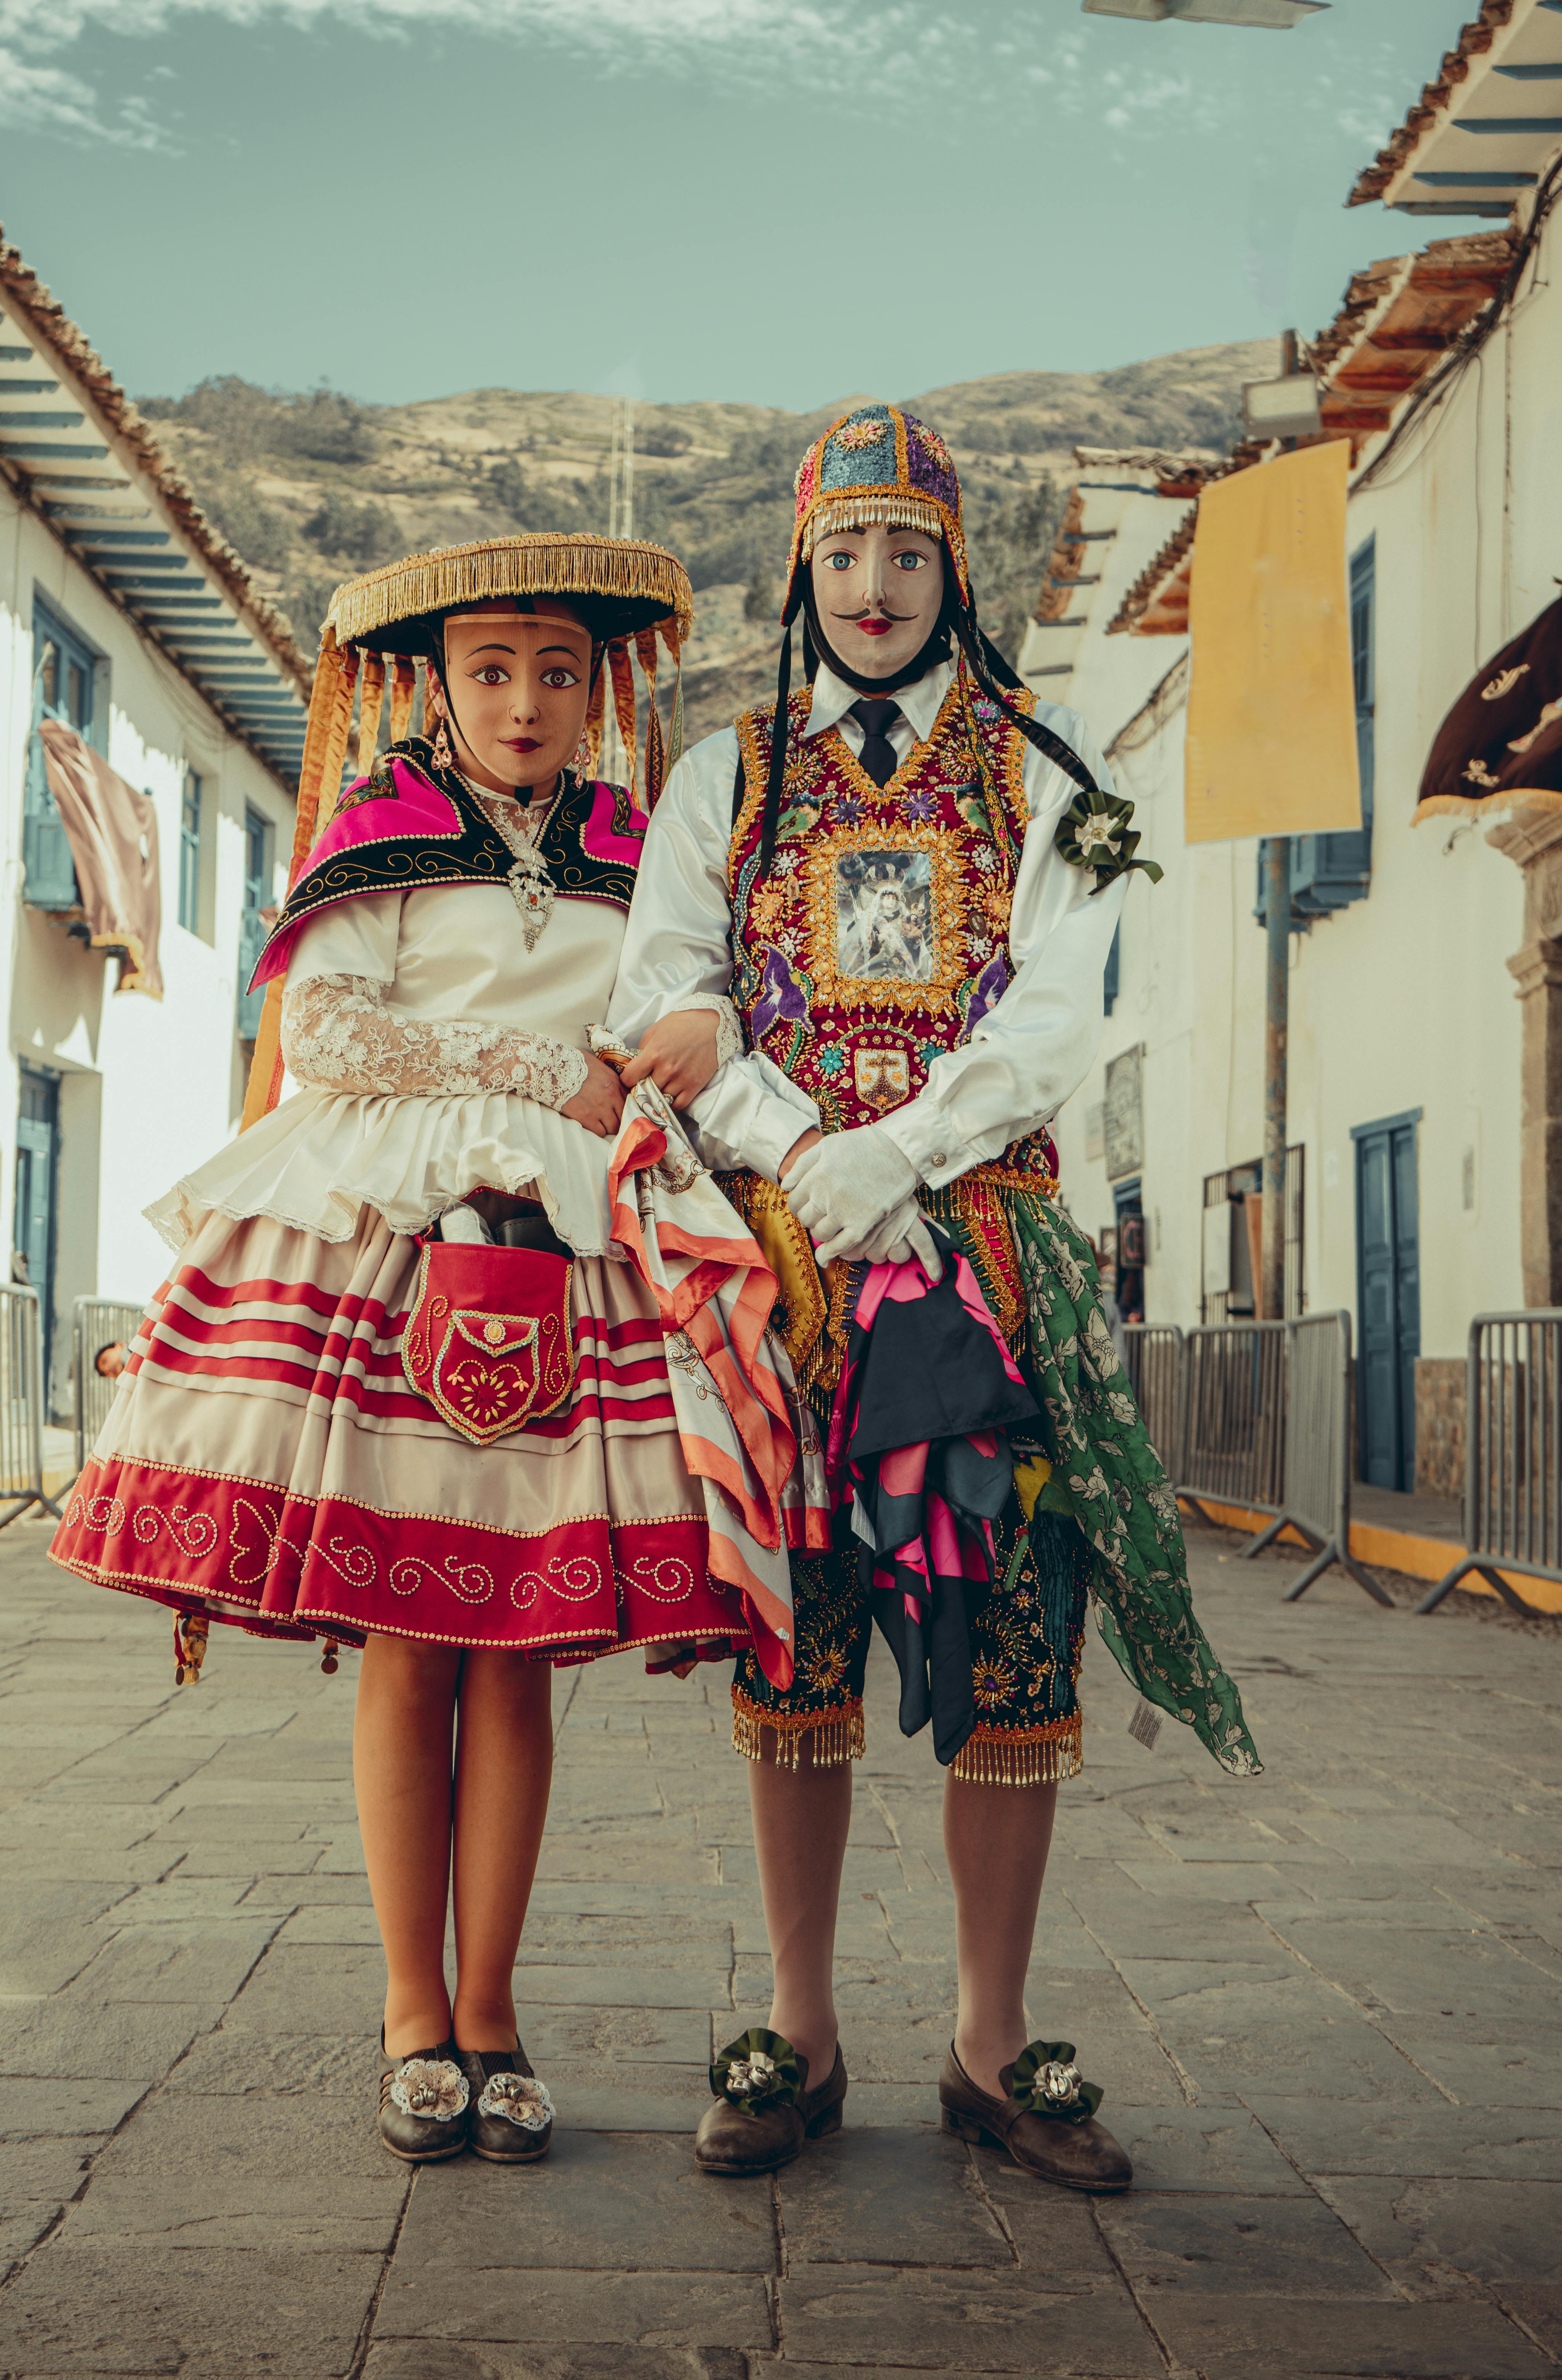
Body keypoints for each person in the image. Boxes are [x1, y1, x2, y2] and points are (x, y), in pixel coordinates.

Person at [50, 534, 804, 2170]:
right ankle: (409, 2012)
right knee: (406, 1639)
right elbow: (322, 1033)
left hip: (579, 1257)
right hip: (387, 1248)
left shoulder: (641, 847)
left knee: (520, 1647)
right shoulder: (379, 826)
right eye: (489, 668)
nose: (522, 701)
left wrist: (632, 1078)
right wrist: (538, 1067)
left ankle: (495, 2009)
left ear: (598, 686)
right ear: (435, 681)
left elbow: (680, 1022)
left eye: (554, 670)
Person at [613, 406, 1258, 2195]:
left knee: (1015, 1629)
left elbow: (1057, 1016)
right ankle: (802, 2027)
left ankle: (988, 2035)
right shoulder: (718, 778)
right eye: (843, 554)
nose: (876, 587)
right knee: (795, 1634)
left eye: (908, 552)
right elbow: (662, 994)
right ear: (801, 569)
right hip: (790, 1270)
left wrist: (894, 1149)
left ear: (953, 566)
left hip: (984, 1254)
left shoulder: (1045, 779)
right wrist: (789, 1134)